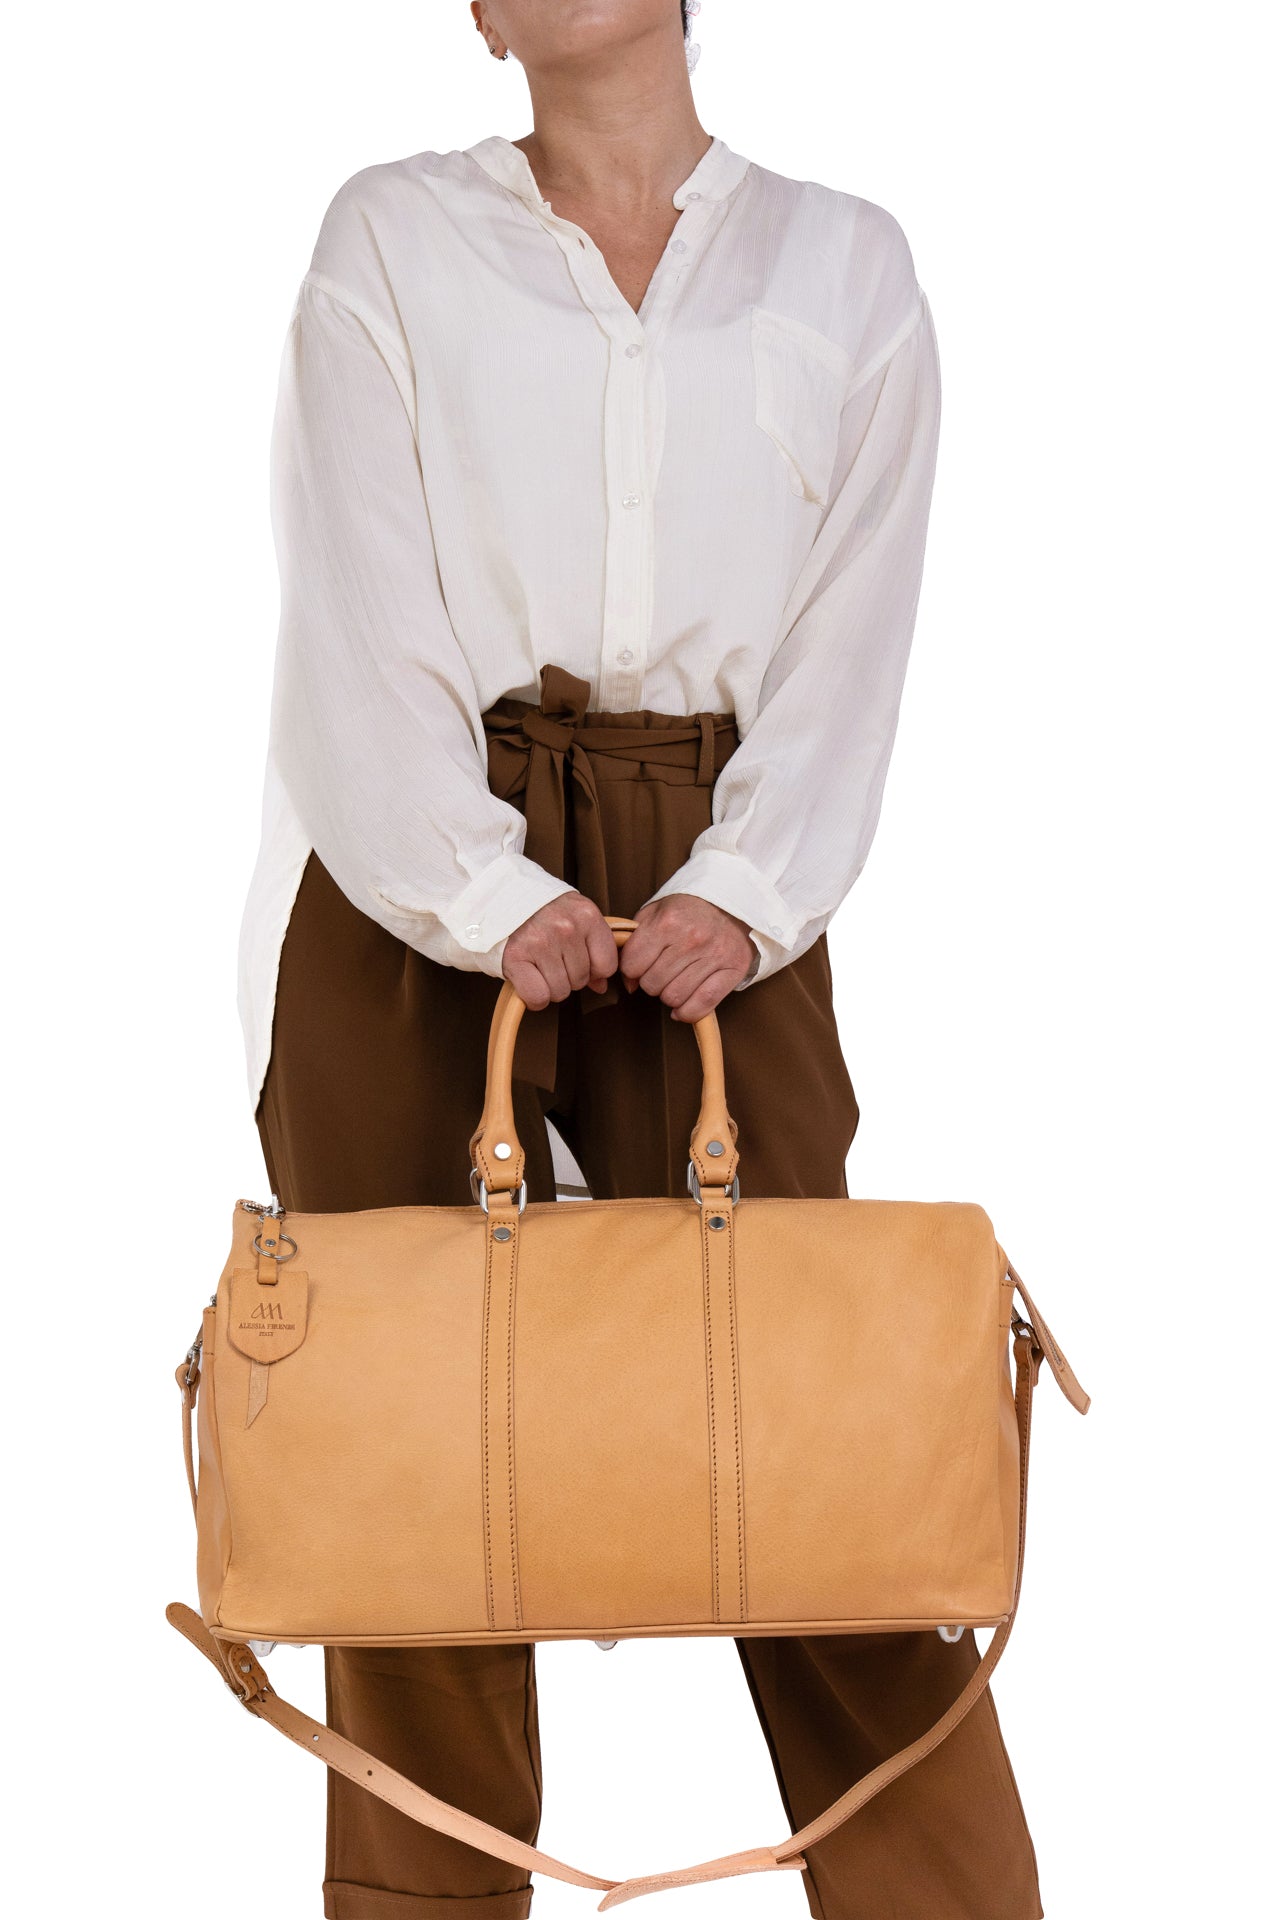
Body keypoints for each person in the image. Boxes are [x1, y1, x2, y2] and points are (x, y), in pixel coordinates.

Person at [238, 4, 1044, 1917]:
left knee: (824, 1470)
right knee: (420, 1500)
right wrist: (478, 886)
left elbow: (855, 637)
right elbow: (352, 605)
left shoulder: (845, 265)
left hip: (723, 910)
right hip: (416, 894)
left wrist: (749, 890)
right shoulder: (388, 236)